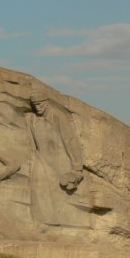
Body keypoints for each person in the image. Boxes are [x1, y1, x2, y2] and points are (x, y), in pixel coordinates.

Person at [28, 89, 86, 226]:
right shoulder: (33, 120)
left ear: (46, 103)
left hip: (61, 162)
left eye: (40, 104)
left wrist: (77, 167)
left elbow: (70, 141)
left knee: (64, 197)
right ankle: (47, 223)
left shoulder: (58, 117)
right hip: (43, 162)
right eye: (35, 105)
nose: (38, 107)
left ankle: (69, 224)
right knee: (43, 194)